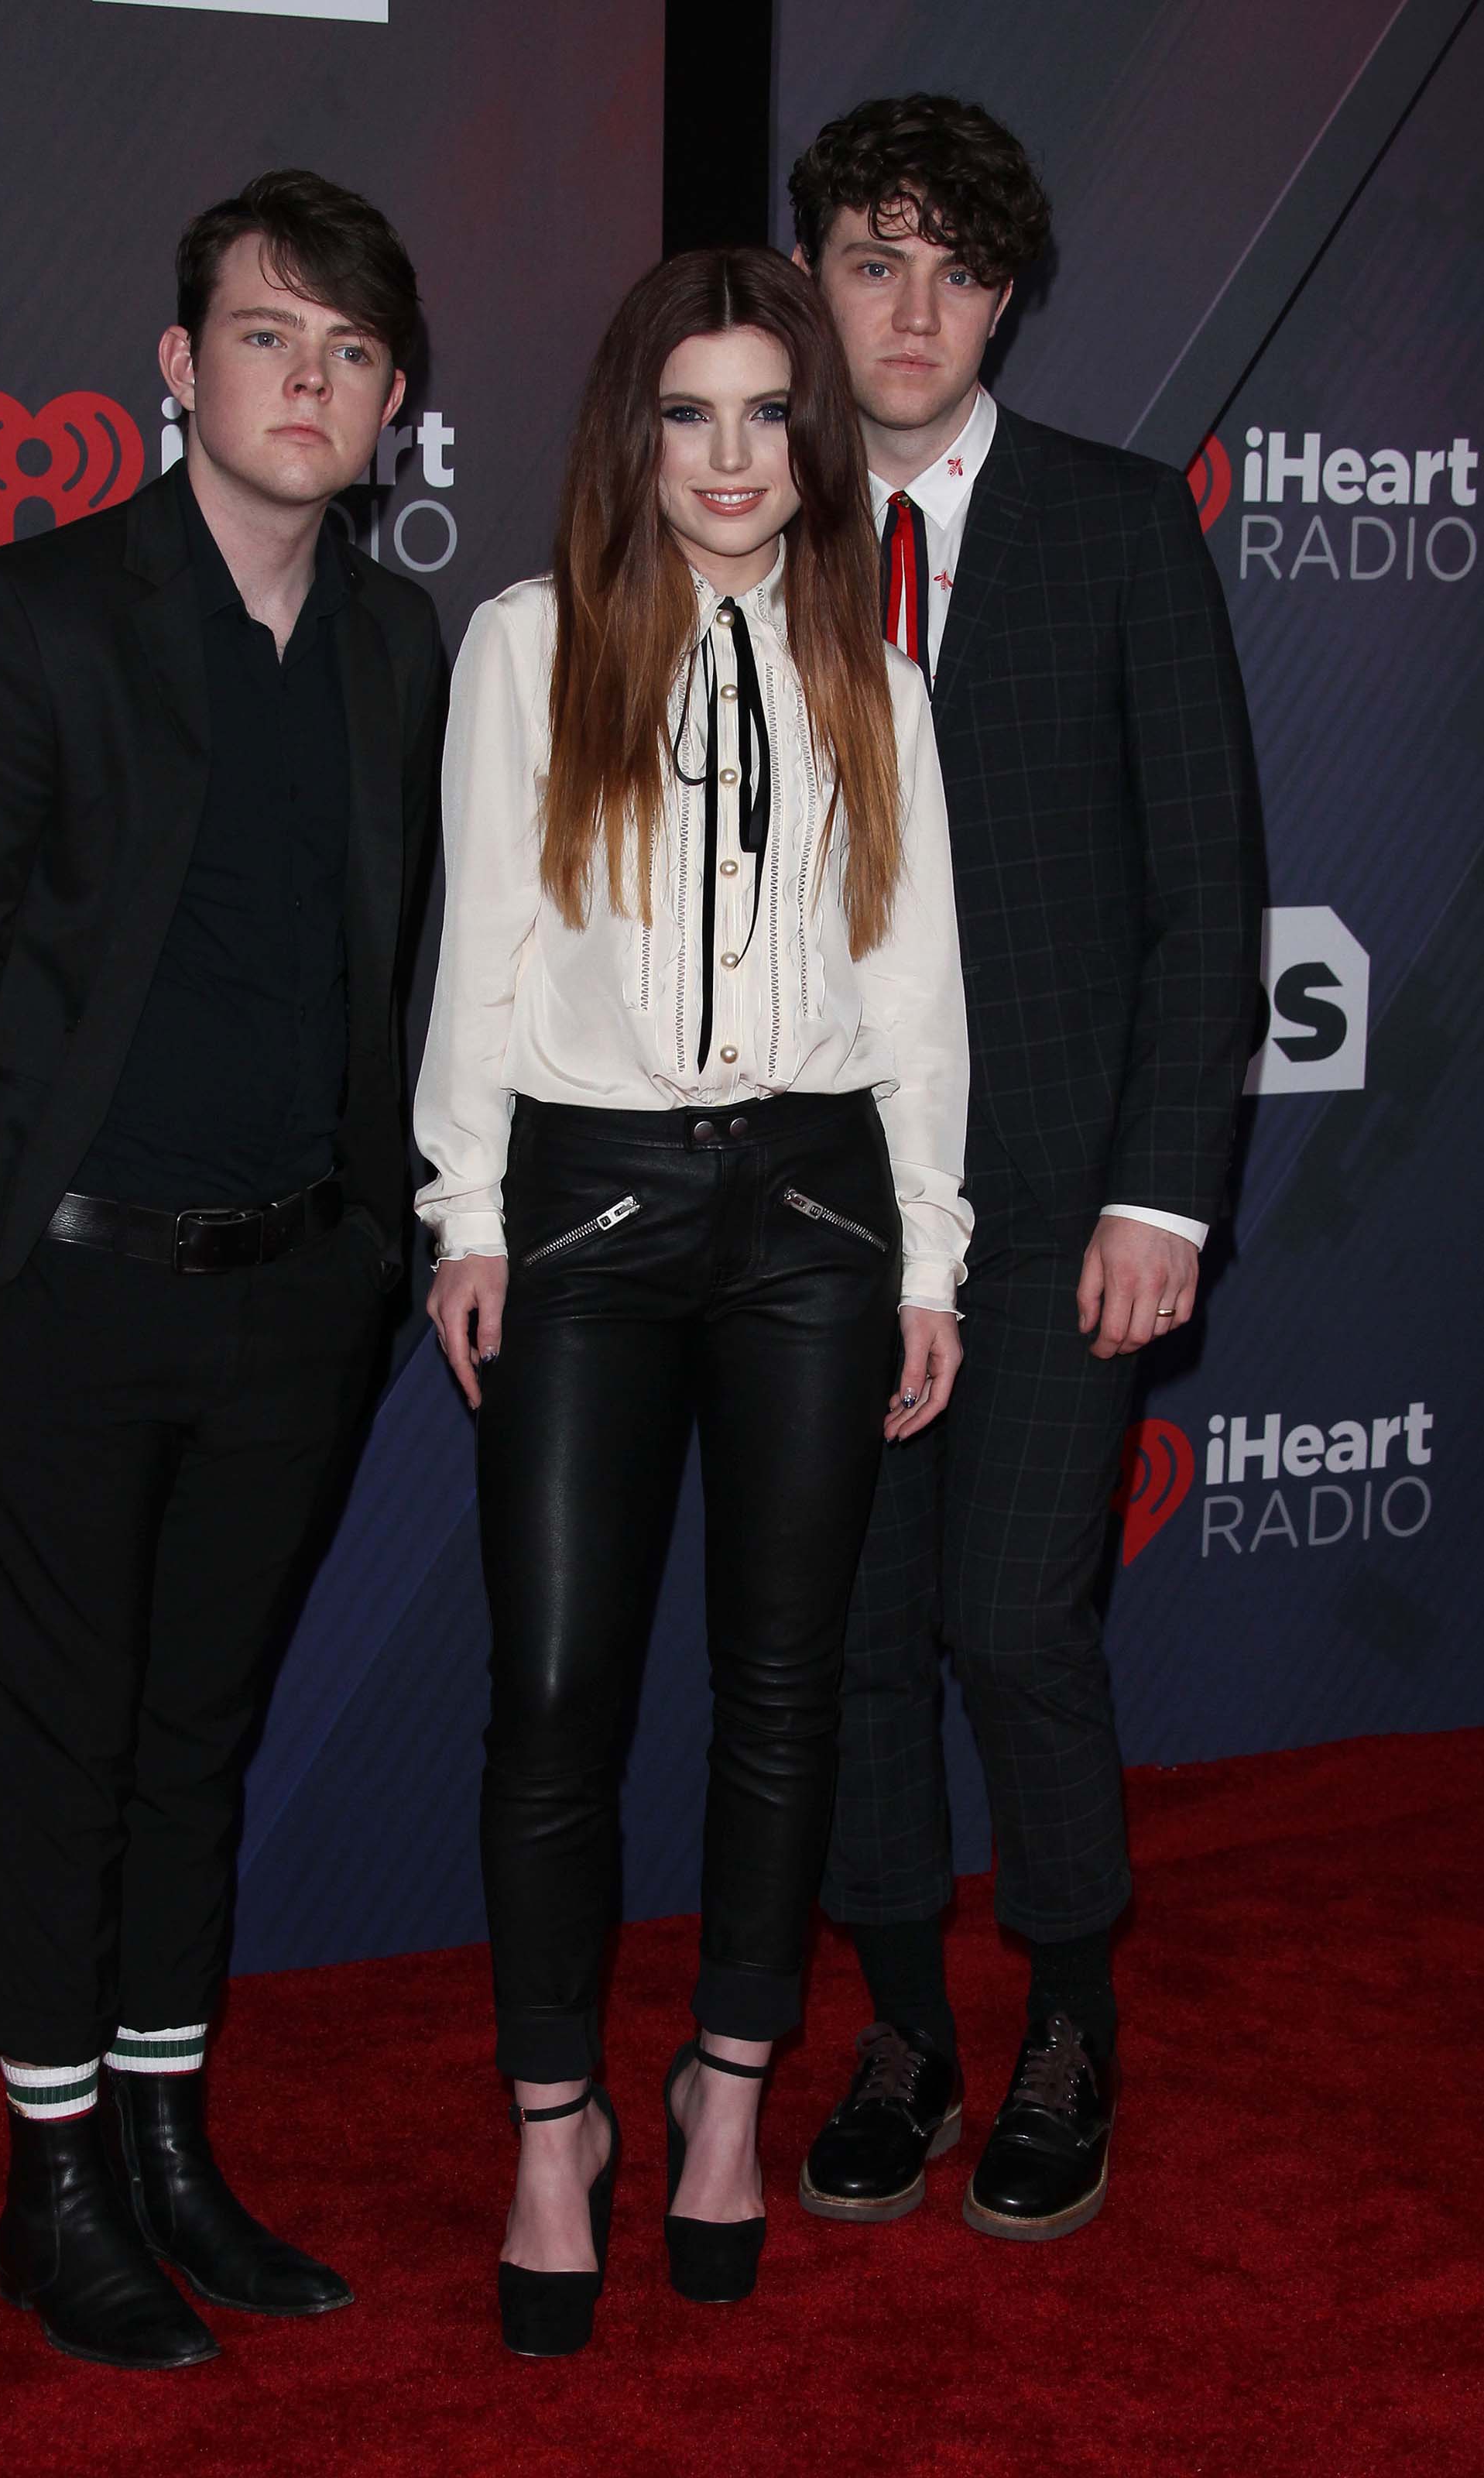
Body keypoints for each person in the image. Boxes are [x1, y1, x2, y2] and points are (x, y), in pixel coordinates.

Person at [0, 170, 443, 2368]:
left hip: (299, 1296)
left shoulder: (399, 648)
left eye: (354, 351)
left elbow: (416, 975)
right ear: (179, 369)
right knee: (64, 1748)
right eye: (270, 339)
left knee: (198, 1738)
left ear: (392, 402)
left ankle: (171, 2138)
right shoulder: (32, 616)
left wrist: (381, 1248)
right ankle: (53, 2183)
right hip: (70, 1297)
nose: (311, 382)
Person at [415, 245, 971, 2356]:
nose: (727, 458)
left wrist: (925, 1248)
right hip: (586, 1211)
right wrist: (464, 1211)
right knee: (554, 1696)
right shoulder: (524, 649)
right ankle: (554, 2126)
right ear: (628, 437)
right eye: (686, 414)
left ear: (807, 441)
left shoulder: (874, 677)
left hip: (817, 1218)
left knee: (786, 1690)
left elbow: (915, 988)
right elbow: (475, 942)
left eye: (764, 414)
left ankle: (722, 2091)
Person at [787, 94, 1266, 2240]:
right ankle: (903, 2025)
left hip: (1057, 1209)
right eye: (874, 258)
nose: (911, 307)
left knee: (1008, 1622)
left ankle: (1068, 2017)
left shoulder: (1110, 523)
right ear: (814, 275)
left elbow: (1204, 887)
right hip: (808, 1211)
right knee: (855, 1639)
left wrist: (1162, 1196)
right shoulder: (741, 523)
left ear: (1003, 297)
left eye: (953, 269)